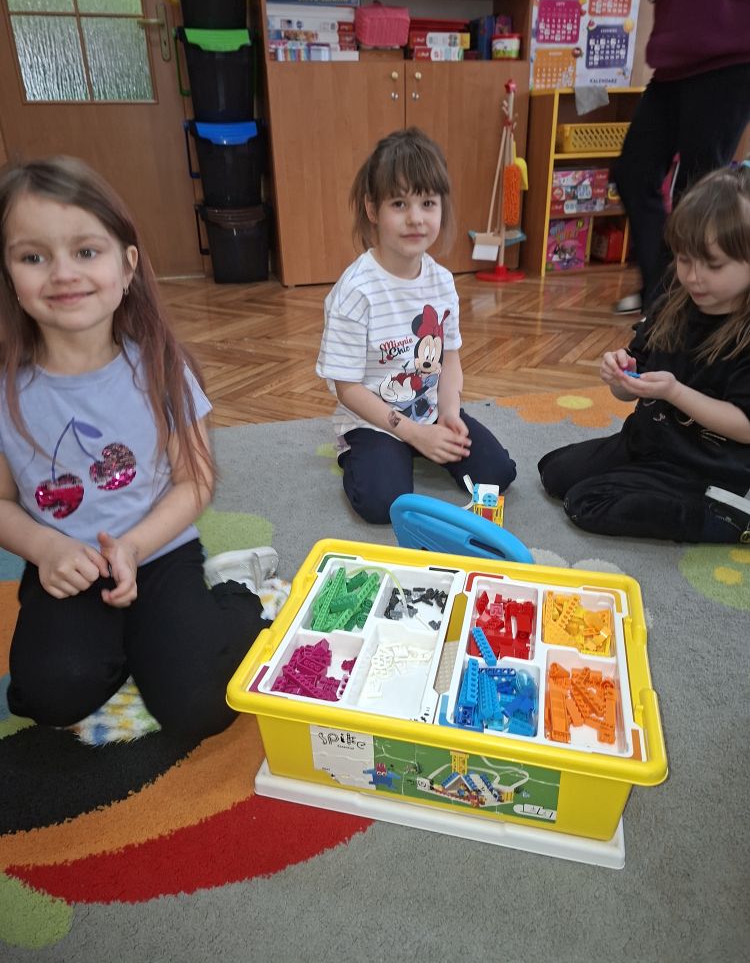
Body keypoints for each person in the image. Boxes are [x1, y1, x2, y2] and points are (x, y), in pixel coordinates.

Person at [0, 156, 278, 741]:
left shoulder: (161, 367)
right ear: (8, 275)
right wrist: (45, 548)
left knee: (200, 706)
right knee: (46, 696)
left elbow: (194, 481)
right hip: (66, 564)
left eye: (86, 251)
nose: (62, 273)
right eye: (33, 257)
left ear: (127, 266)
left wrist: (133, 547)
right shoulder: (5, 390)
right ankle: (133, 644)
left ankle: (236, 596)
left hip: (158, 550)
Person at [538, 162, 750, 543]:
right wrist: (620, 374)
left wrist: (674, 392)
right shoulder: (675, 299)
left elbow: (745, 426)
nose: (694, 276)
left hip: (709, 467)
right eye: (684, 259)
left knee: (585, 502)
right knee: (554, 473)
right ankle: (646, 478)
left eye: (713, 265)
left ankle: (726, 515)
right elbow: (635, 379)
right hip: (650, 440)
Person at [316, 127, 516, 525]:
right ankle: (361, 454)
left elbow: (450, 358)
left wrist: (450, 413)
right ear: (372, 209)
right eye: (399, 203)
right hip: (373, 420)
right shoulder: (355, 292)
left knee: (497, 476)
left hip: (428, 410)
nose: (415, 218)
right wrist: (412, 434)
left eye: (427, 203)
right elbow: (347, 388)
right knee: (383, 504)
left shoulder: (441, 281)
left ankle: (418, 445)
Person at [613, 0, 750, 315]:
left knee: (697, 189)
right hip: (674, 60)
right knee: (633, 173)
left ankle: (677, 301)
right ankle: (662, 292)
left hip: (728, 57)